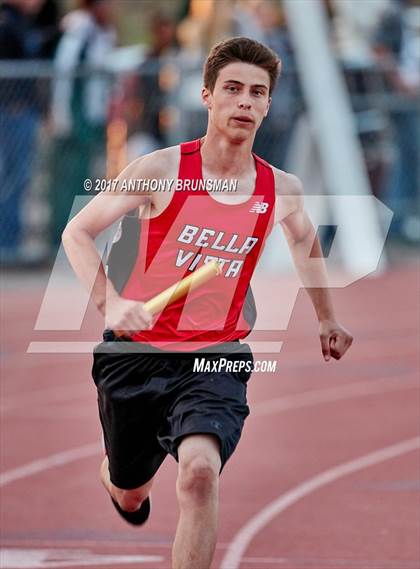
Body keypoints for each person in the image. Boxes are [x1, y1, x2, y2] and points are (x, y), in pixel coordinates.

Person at [62, 37, 353, 569]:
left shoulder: (279, 187)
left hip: (214, 357)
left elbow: (306, 241)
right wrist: (110, 304)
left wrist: (327, 317)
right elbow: (77, 233)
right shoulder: (162, 169)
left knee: (198, 473)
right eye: (233, 89)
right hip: (135, 355)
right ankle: (119, 478)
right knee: (131, 489)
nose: (245, 101)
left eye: (257, 93)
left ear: (268, 106)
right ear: (207, 96)